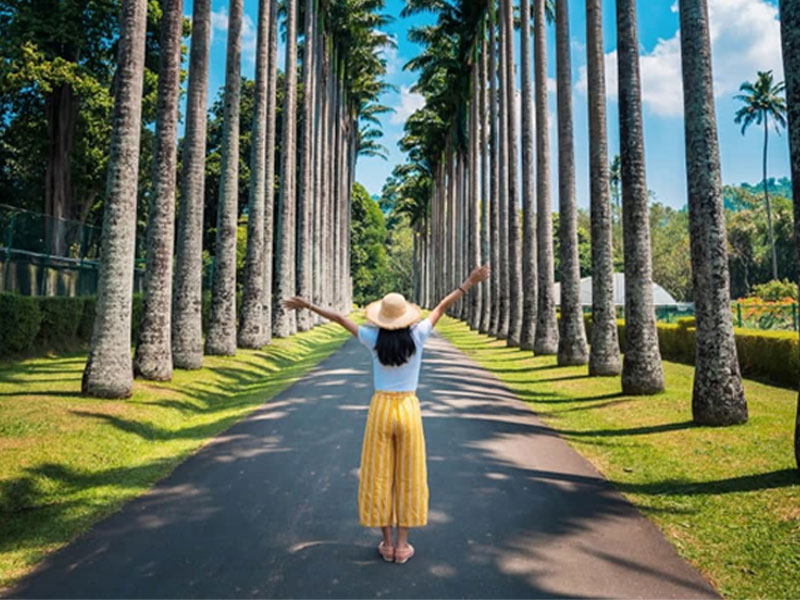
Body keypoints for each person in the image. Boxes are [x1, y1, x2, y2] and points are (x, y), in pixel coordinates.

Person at [282, 263, 491, 564]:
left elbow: (340, 317)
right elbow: (443, 305)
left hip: (381, 408)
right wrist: (469, 282)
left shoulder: (372, 338)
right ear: (407, 316)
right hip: (408, 408)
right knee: (408, 475)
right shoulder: (419, 335)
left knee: (379, 475)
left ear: (382, 318)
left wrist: (308, 305)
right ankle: (403, 547)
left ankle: (386, 542)